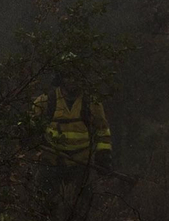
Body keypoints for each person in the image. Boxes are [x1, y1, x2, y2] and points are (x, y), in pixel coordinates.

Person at [32, 64, 112, 206]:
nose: (72, 81)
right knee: (42, 204)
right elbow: (31, 125)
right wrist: (28, 137)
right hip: (51, 161)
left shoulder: (91, 103)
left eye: (76, 77)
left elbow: (102, 130)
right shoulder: (45, 101)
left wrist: (103, 154)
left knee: (81, 207)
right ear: (61, 78)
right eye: (68, 76)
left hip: (80, 163)